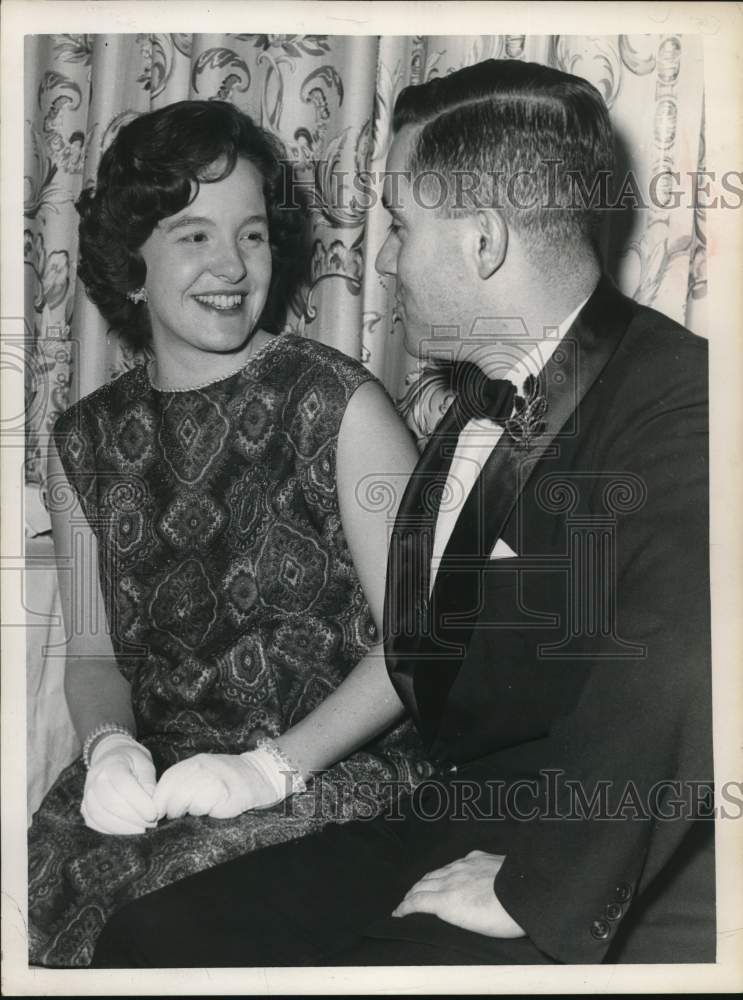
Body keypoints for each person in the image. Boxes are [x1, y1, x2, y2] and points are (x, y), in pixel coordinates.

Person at [92, 59, 714, 967]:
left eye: (400, 227)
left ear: (484, 243)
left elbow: (689, 648)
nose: (380, 260)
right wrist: (267, 767)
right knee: (147, 941)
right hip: (447, 808)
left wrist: (533, 888)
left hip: (574, 848)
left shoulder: (682, 395)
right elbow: (423, 645)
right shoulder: (478, 395)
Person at [27, 99, 433, 968]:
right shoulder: (81, 441)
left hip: (335, 776)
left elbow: (419, 640)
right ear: (129, 267)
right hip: (165, 774)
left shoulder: (335, 402)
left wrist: (272, 770)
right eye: (192, 235)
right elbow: (95, 655)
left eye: (250, 236)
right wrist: (108, 749)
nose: (231, 265)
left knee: (157, 927)